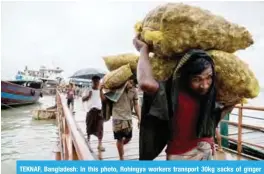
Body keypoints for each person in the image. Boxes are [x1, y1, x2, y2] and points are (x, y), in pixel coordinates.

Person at [133, 35, 234, 160]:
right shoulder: (172, 93)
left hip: (206, 151)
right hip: (181, 156)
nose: (204, 85)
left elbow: (212, 121)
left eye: (209, 77)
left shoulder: (209, 95)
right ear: (185, 77)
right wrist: (143, 49)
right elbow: (145, 83)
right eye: (197, 79)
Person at [100, 78, 141, 160]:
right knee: (119, 139)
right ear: (126, 81)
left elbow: (136, 104)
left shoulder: (134, 90)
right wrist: (100, 90)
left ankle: (120, 145)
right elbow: (104, 100)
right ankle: (121, 158)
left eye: (132, 82)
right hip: (117, 117)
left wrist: (140, 118)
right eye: (129, 81)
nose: (131, 83)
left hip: (128, 117)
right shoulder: (117, 89)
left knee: (129, 138)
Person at [82, 76, 105, 152]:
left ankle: (100, 144)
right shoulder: (88, 90)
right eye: (94, 81)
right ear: (92, 81)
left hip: (99, 111)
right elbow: (83, 99)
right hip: (90, 111)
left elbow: (104, 100)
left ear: (99, 82)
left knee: (100, 128)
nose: (96, 83)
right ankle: (88, 140)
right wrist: (88, 96)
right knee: (89, 126)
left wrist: (101, 90)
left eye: (97, 81)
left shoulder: (101, 90)